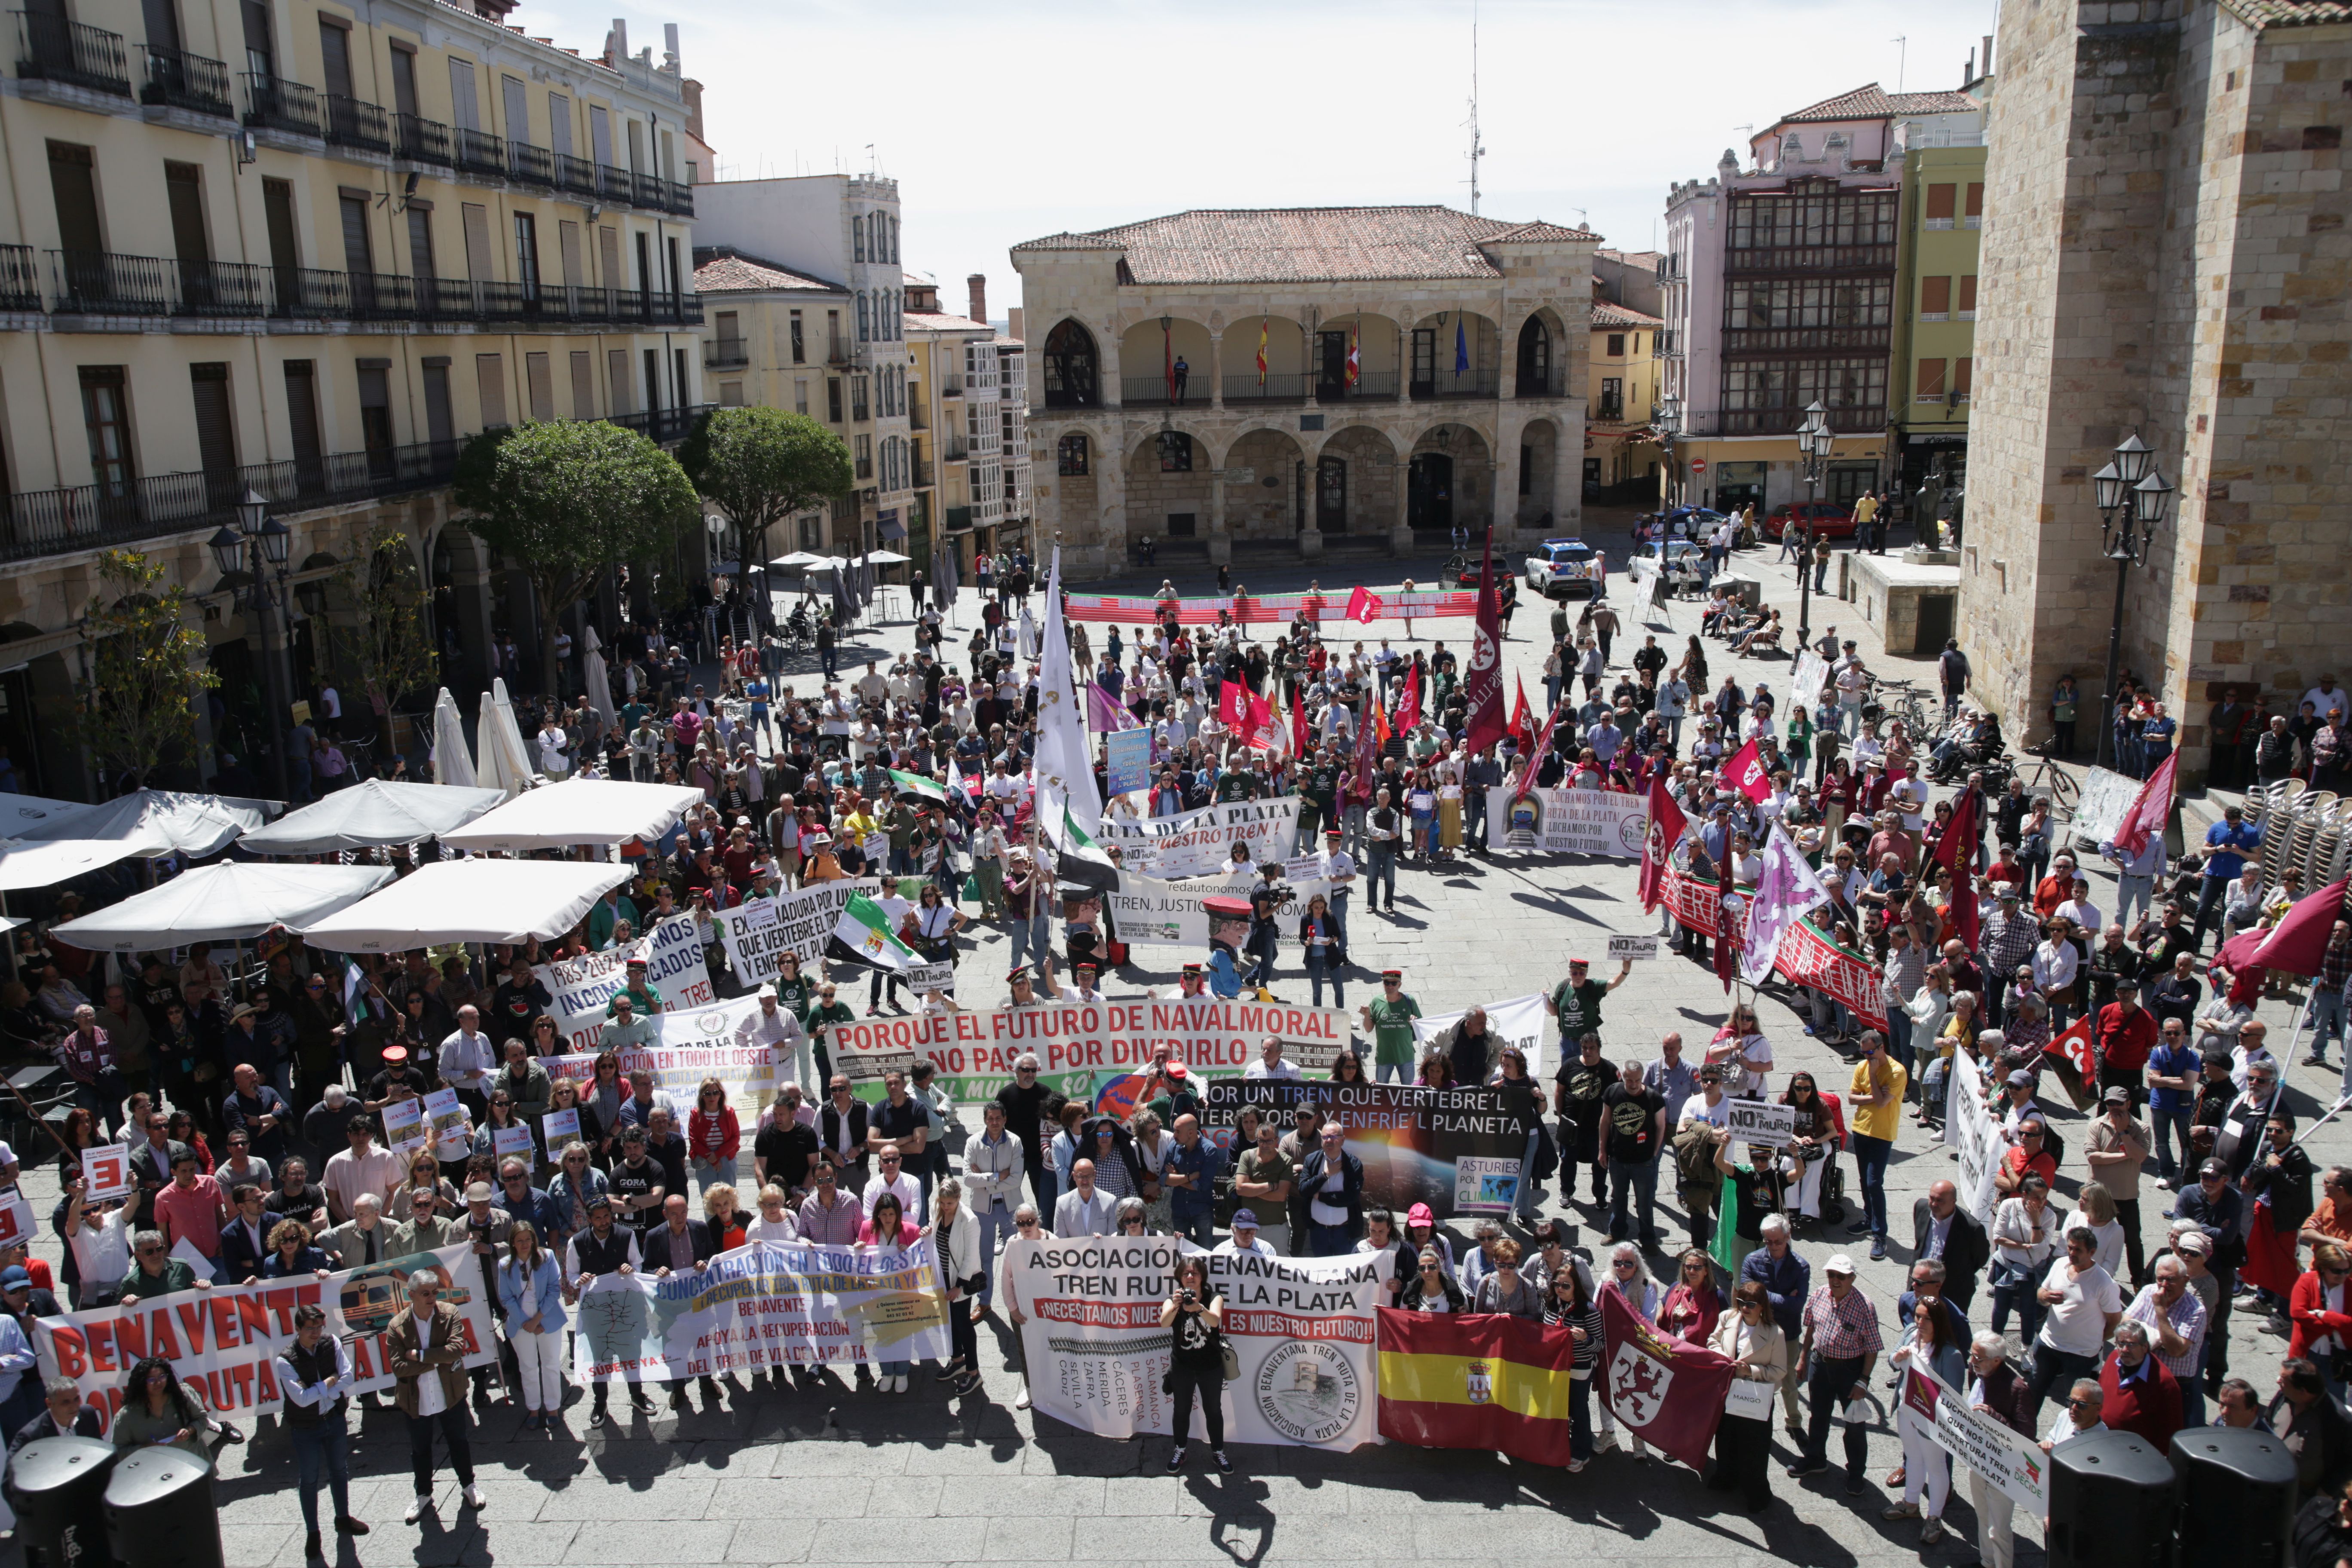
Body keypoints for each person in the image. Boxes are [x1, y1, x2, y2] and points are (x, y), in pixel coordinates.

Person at [388, 1271, 484, 1525]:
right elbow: (399, 1368)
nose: (432, 1298)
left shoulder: (450, 1313)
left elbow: (455, 1350)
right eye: (426, 1293)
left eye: (435, 1292)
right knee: (420, 1449)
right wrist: (436, 1360)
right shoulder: (397, 1325)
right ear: (411, 1295)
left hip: (449, 1393)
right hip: (416, 1399)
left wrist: (418, 1356)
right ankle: (423, 1494)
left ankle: (468, 1485)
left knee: (458, 1440)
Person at [276, 1302, 367, 1557]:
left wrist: (320, 1388)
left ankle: (343, 1518)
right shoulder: (285, 1360)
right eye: (310, 1329)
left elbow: (348, 1377)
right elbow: (301, 1400)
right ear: (297, 1329)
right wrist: (329, 1382)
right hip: (306, 1427)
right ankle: (313, 1533)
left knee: (340, 1471)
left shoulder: (331, 1343)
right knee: (309, 1480)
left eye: (319, 1327)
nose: (316, 1333)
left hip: (334, 1419)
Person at [1787, 1253, 1880, 1493]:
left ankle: (1856, 1473)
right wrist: (1803, 1358)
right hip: (1820, 1363)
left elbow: (1872, 1348)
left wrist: (1864, 1381)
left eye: (1841, 1276)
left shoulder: (1865, 1307)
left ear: (1852, 1278)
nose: (1835, 1280)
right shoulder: (1819, 1295)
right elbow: (1812, 1327)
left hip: (1849, 1369)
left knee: (1855, 1424)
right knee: (1818, 1416)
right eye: (1831, 1275)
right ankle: (1816, 1459)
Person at [1883, 1297, 1965, 1545]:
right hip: (1906, 1410)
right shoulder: (1911, 1333)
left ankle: (1934, 1518)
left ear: (1939, 1322)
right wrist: (1898, 1357)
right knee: (1912, 1458)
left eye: (1927, 1318)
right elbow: (1891, 1359)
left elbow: (1953, 1398)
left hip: (1931, 1420)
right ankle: (1911, 1504)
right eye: (1918, 1316)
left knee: (1936, 1466)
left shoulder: (1951, 1355)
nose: (1920, 1323)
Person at [566, 1195, 650, 1426]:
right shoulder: (577, 1242)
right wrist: (579, 1279)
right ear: (590, 1220)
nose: (604, 1222)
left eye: (606, 1216)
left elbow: (638, 1264)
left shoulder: (626, 1235)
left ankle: (637, 1396)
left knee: (630, 1353)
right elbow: (571, 1275)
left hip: (624, 1305)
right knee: (599, 1358)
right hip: (596, 1310)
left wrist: (630, 1268)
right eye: (598, 1218)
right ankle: (600, 1402)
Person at [1707, 1281, 1788, 1514]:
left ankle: (1756, 1492)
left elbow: (1780, 1370)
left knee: (1755, 1446)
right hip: (1729, 1391)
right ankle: (1727, 1477)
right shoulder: (1727, 1318)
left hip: (1756, 1396)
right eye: (1741, 1303)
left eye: (1750, 1304)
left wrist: (1750, 1372)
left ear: (1762, 1306)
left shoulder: (1775, 1333)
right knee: (1726, 1437)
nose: (1744, 1308)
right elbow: (1712, 1341)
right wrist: (1724, 1358)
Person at [2028, 1225, 2125, 1412]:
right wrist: (2044, 1298)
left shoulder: (2104, 1283)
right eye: (2070, 1247)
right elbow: (2041, 1291)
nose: (2071, 1253)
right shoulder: (2059, 1265)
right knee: (2033, 1392)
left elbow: (2114, 1320)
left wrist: (2095, 1339)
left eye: (2077, 1249)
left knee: (2075, 1405)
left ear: (2092, 1252)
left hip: (2080, 1355)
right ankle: (2024, 1435)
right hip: (2048, 1344)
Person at [1161, 1254, 1231, 1473]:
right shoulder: (1173, 1300)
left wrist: (1199, 1308)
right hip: (1182, 1367)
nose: (1190, 1277)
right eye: (1186, 1274)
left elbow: (1215, 1321)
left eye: (1195, 1273)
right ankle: (1180, 1449)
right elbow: (1164, 1323)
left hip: (1210, 1367)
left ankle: (1218, 1452)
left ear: (1202, 1277)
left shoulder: (1214, 1297)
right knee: (1181, 1410)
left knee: (1213, 1411)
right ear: (1180, 1279)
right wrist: (1176, 1307)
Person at [498, 1220, 567, 1432]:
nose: (525, 1244)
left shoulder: (547, 1257)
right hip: (521, 1325)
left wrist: (537, 1320)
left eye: (528, 1239)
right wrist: (526, 1323)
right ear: (513, 1243)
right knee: (527, 1367)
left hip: (546, 1320)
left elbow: (555, 1290)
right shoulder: (505, 1265)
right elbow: (506, 1298)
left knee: (551, 1365)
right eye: (520, 1241)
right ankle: (534, 1409)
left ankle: (553, 1408)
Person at [1541, 1256, 1605, 1473]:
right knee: (1558, 1408)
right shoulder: (1549, 1303)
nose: (1560, 1289)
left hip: (1579, 1369)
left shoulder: (1588, 1310)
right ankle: (1557, 1445)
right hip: (1554, 1368)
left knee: (1578, 1409)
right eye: (1556, 1284)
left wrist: (1586, 1338)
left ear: (1575, 1286)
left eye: (1566, 1285)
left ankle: (1581, 1452)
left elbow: (1600, 1345)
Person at [110, 1354, 219, 1459]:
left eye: (162, 1377)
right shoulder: (126, 1416)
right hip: (153, 1472)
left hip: (193, 1463)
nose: (158, 1383)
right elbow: (119, 1453)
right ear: (141, 1383)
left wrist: (189, 1430)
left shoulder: (183, 1394)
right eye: (151, 1380)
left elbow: (202, 1419)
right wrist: (144, 1448)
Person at [1912, 1178, 1990, 1313]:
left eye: (1940, 1201)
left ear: (1953, 1202)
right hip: (1921, 1284)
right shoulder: (1921, 1208)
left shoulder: (1971, 1228)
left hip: (1952, 1291)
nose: (1934, 1204)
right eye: (1932, 1198)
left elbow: (1980, 1258)